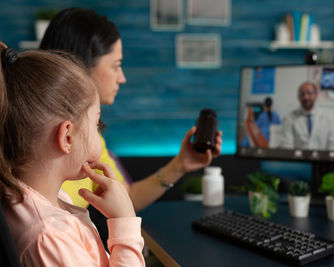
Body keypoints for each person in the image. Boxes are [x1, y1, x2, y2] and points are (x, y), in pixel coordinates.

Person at [39, 7, 223, 212]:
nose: (122, 78)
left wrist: (181, 164)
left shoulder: (88, 136)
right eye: (116, 65)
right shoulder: (32, 142)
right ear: (82, 65)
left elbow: (125, 198)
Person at [0, 43, 145, 266]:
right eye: (98, 125)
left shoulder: (46, 202)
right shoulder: (49, 238)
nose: (99, 133)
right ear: (67, 136)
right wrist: (124, 220)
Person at [280, 81, 334, 150]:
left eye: (309, 93)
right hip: (298, 159)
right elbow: (286, 144)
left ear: (316, 95)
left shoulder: (328, 117)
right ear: (298, 98)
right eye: (302, 94)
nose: (306, 97)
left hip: (322, 159)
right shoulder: (289, 118)